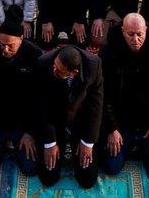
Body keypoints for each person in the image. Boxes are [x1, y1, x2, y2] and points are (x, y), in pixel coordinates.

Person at [100, 13, 149, 175]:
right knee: (111, 168)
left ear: (146, 31)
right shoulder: (109, 51)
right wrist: (111, 129)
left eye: (139, 34)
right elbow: (103, 94)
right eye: (130, 34)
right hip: (121, 125)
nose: (135, 39)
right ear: (122, 31)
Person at [0, 6, 41, 176]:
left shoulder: (35, 56)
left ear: (21, 38)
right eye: (1, 44)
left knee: (31, 168)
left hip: (23, 123)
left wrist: (30, 132)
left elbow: (38, 99)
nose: (4, 49)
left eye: (10, 46)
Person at [35, 44, 103, 188]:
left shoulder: (93, 66)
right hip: (55, 121)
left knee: (87, 179)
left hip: (80, 122)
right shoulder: (44, 63)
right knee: (48, 177)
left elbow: (96, 105)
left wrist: (87, 142)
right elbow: (43, 106)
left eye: (59, 71)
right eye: (54, 66)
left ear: (74, 72)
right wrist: (50, 142)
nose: (54, 71)